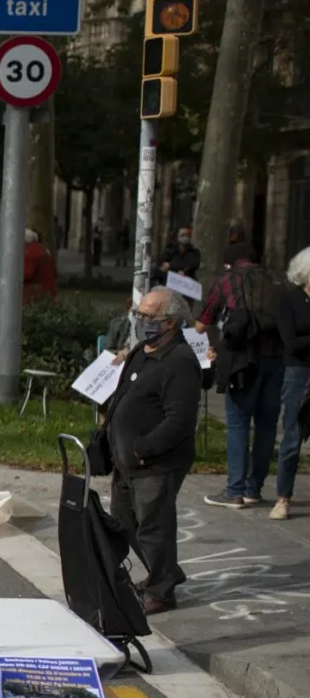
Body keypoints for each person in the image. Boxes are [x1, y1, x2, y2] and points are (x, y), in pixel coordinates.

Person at [103, 288, 200, 615]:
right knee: (124, 520)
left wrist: (144, 449)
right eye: (139, 315)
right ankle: (166, 573)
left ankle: (161, 591)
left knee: (154, 525)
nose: (142, 322)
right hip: (126, 460)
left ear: (170, 322)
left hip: (155, 462)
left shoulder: (181, 362)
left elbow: (180, 420)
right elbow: (123, 395)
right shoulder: (142, 351)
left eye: (149, 317)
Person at [198, 241, 286, 509]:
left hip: (242, 361)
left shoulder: (227, 279)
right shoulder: (276, 280)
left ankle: (234, 490)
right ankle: (254, 489)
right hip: (276, 360)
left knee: (237, 423)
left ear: (230, 263)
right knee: (267, 426)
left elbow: (202, 323)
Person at [272, 246, 310, 520]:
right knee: (292, 437)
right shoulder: (290, 300)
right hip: (298, 372)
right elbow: (291, 343)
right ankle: (283, 497)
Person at [22, 228, 58, 302]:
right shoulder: (45, 250)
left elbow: (26, 274)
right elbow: (55, 273)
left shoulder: (30, 253)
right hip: (49, 293)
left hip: (34, 295)